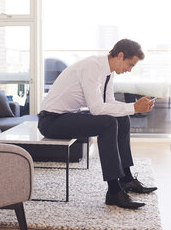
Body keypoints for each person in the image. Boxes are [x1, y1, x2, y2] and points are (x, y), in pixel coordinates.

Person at [38, 39, 157, 209]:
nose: (130, 70)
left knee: (122, 118)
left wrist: (133, 108)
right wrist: (133, 107)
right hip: (51, 121)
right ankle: (113, 192)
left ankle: (126, 179)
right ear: (120, 55)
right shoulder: (92, 67)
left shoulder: (109, 72)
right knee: (108, 123)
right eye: (130, 64)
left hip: (68, 116)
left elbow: (109, 102)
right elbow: (96, 109)